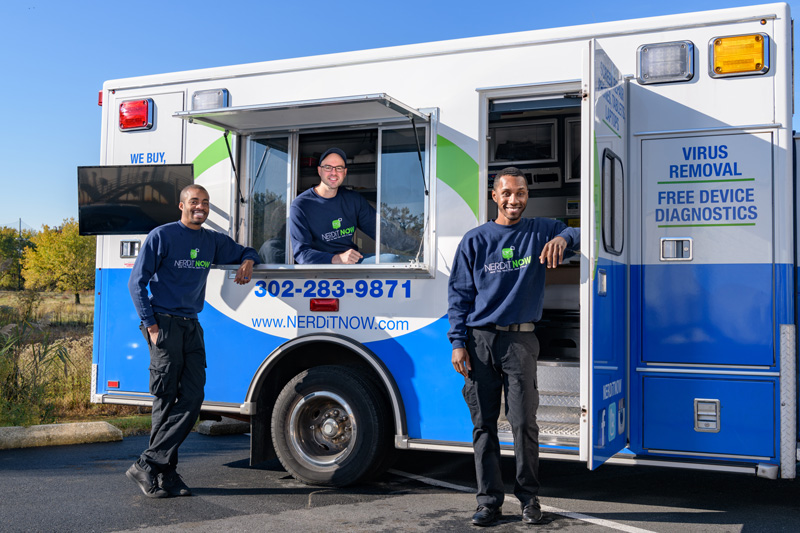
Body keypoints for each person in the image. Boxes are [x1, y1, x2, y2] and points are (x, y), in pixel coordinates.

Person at [447, 167, 579, 526]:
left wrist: (565, 238)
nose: (513, 200)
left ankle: (529, 499)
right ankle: (488, 501)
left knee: (523, 423)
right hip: (480, 341)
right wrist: (458, 343)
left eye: (520, 193)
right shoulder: (475, 240)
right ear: (495, 196)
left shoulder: (541, 230)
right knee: (484, 425)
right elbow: (459, 295)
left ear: (526, 197)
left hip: (520, 340)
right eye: (506, 193)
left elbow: (584, 232)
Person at [126, 184, 260, 498]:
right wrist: (152, 325)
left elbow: (246, 251)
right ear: (182, 205)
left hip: (191, 325)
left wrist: (249, 262)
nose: (200, 206)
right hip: (164, 324)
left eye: (205, 202)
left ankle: (150, 464)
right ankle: (165, 474)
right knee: (165, 397)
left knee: (193, 397)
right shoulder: (162, 236)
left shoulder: (211, 241)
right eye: (194, 201)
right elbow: (137, 283)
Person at [289, 147, 376, 264]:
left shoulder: (353, 200)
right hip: (320, 269)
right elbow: (302, 254)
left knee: (392, 260)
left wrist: (408, 244)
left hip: (352, 263)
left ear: (345, 172)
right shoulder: (301, 205)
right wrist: (337, 259)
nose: (333, 173)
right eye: (328, 167)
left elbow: (381, 231)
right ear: (319, 171)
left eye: (339, 168)